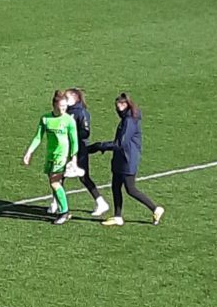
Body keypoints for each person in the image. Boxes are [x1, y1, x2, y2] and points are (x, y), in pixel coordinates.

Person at [91, 93, 165, 227]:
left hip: (127, 160)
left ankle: (155, 209)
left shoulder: (129, 120)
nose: (118, 108)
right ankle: (117, 216)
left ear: (127, 105)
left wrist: (100, 146)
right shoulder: (127, 118)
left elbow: (121, 143)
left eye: (121, 104)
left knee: (130, 189)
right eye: (117, 105)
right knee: (115, 187)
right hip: (121, 159)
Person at [22, 90, 78, 225]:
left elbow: (74, 140)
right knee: (53, 184)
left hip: (61, 156)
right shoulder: (46, 119)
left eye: (65, 106)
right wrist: (29, 152)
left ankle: (64, 212)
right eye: (61, 106)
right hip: (50, 155)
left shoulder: (69, 120)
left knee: (55, 183)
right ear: (54, 105)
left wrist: (73, 158)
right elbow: (38, 137)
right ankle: (62, 209)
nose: (64, 109)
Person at [52, 88, 110, 218]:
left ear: (75, 98)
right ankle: (55, 203)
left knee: (84, 177)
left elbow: (86, 132)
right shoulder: (66, 111)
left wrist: (72, 134)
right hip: (65, 148)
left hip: (79, 149)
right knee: (59, 175)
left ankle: (101, 202)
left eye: (67, 98)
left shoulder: (81, 113)